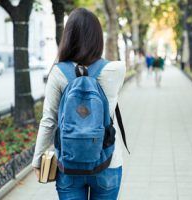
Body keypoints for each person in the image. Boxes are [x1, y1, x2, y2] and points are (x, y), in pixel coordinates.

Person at [32, 8, 126, 200]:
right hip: (107, 162)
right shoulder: (116, 69)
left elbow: (49, 120)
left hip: (69, 164)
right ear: (98, 38)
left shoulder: (58, 72)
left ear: (68, 36)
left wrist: (38, 160)